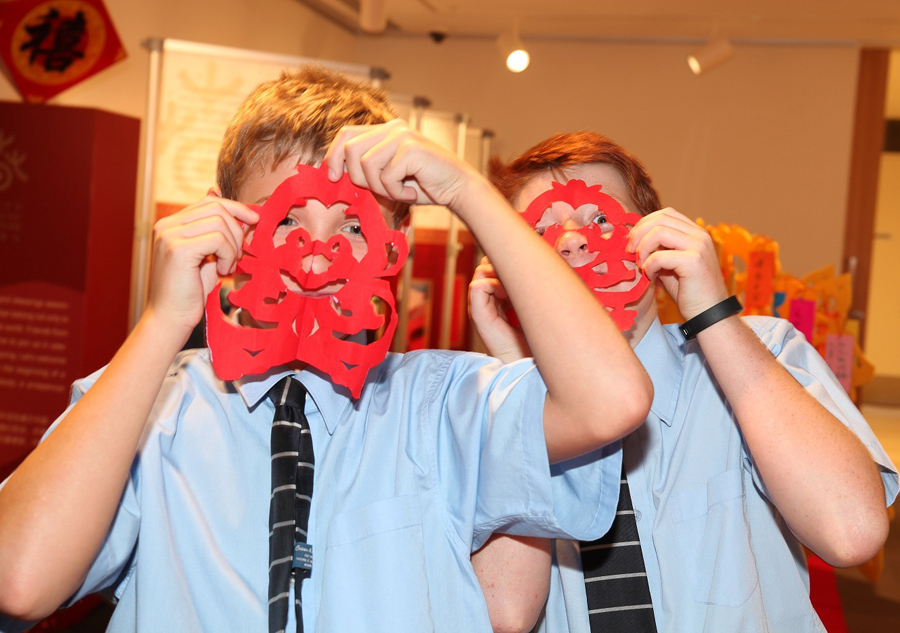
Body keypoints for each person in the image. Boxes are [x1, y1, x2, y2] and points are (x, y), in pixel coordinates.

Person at [0, 71, 652, 632]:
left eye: (353, 226)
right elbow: (20, 577)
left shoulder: (445, 405)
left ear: (395, 243)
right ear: (225, 221)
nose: (317, 257)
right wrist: (163, 320)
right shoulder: (151, 407)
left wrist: (466, 191)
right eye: (284, 218)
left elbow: (612, 400)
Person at [469, 131, 898, 633]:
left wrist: (713, 313)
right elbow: (501, 616)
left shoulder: (763, 350)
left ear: (653, 238)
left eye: (601, 217)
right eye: (541, 230)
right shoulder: (485, 410)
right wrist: (518, 369)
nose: (572, 239)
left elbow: (851, 532)